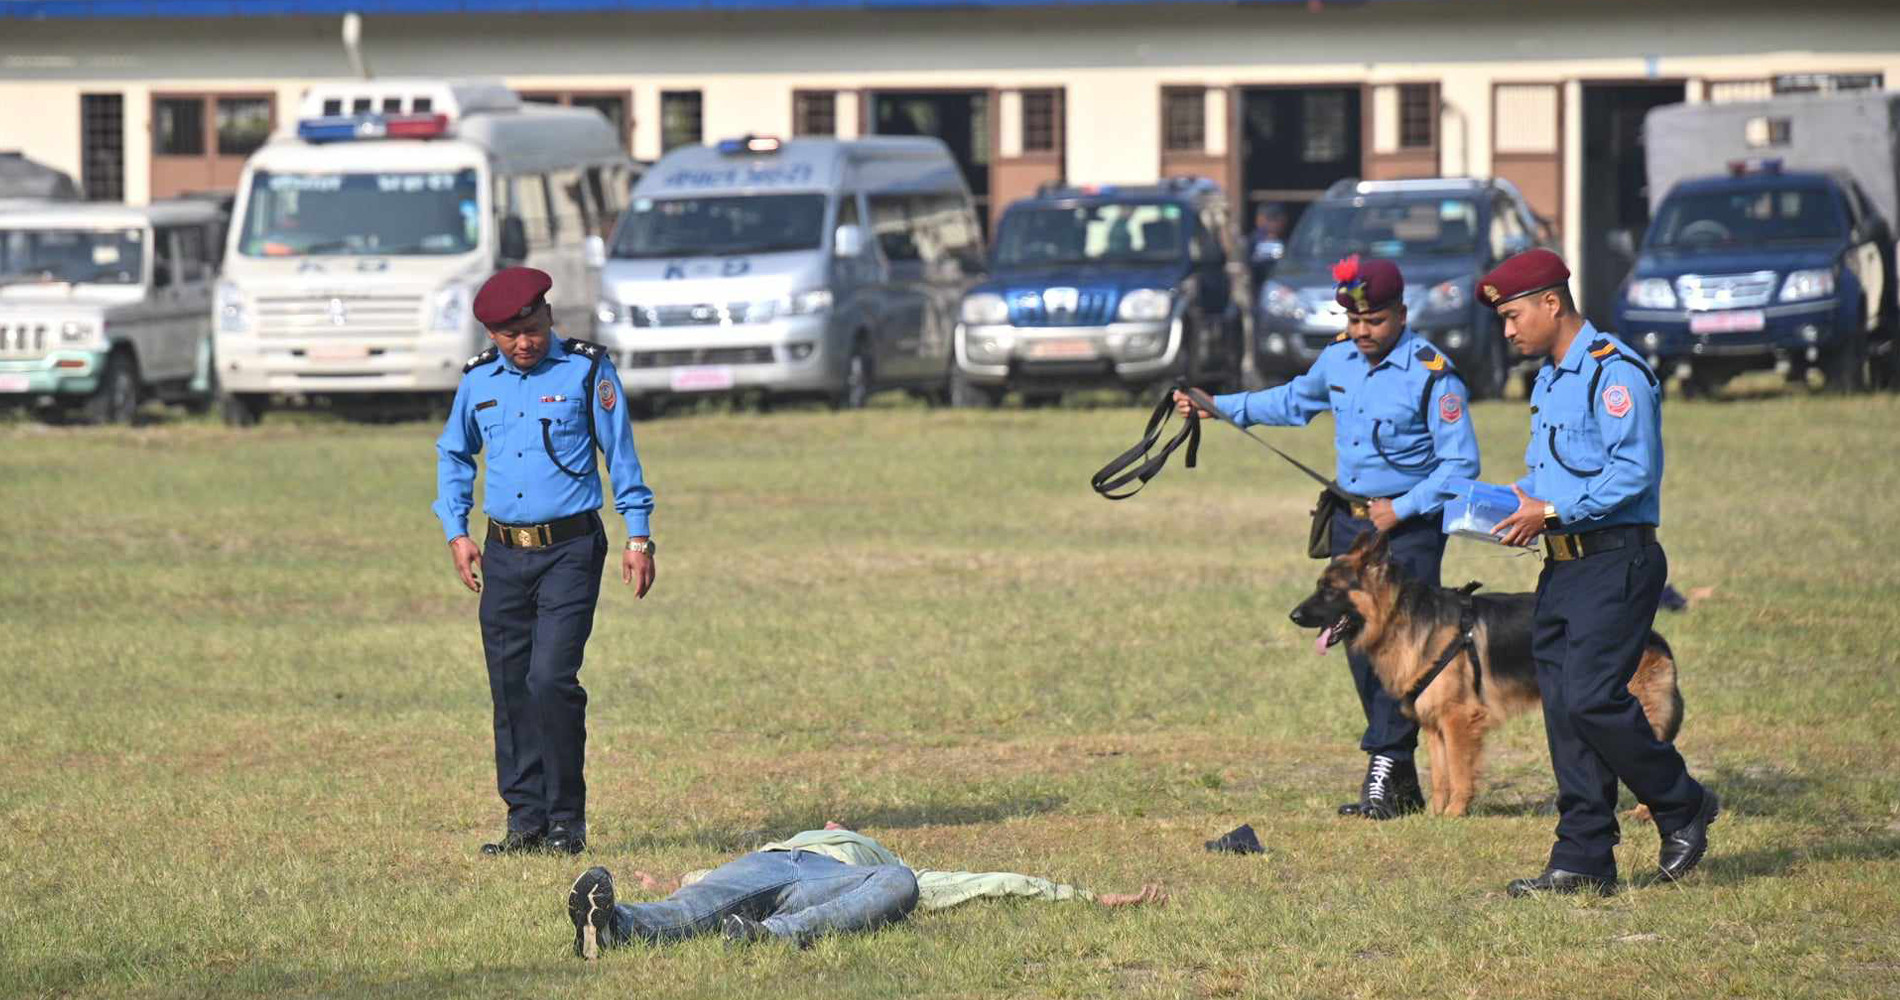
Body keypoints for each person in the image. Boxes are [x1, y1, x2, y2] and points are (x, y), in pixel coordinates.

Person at [1175, 256, 1481, 820]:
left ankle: (1384, 766)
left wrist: (1404, 508)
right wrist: (1218, 406)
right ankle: (1403, 775)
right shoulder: (1339, 357)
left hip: (1407, 531)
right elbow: (1293, 401)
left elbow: (1461, 467)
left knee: (1405, 650)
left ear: (1402, 314)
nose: (1364, 332)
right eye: (1356, 320)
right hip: (1350, 520)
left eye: (1376, 321)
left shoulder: (1433, 374)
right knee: (1359, 643)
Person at [1481, 248, 1717, 897]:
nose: (1508, 331)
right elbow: (1554, 474)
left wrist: (1551, 507)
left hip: (1617, 559)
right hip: (1562, 568)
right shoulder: (1552, 379)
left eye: (1513, 315)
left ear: (1552, 303)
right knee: (1564, 710)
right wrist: (1510, 502)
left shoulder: (1616, 373)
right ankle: (1582, 858)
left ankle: (1682, 802)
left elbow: (1633, 472)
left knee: (1590, 696)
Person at [433, 266, 657, 857]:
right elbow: (454, 454)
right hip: (503, 552)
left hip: (571, 549)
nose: (523, 343)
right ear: (491, 336)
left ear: (548, 317)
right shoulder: (479, 382)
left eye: (531, 328)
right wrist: (457, 531)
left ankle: (566, 821)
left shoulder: (586, 371)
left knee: (550, 679)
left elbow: (622, 456)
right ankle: (525, 821)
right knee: (510, 687)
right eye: (508, 335)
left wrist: (639, 537)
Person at [564, 823, 1167, 957]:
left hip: (837, 885)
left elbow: (993, 883)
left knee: (901, 883)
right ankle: (618, 925)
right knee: (693, 905)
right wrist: (664, 886)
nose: (834, 821)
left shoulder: (887, 862)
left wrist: (1087, 898)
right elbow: (704, 884)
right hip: (769, 863)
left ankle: (768, 938)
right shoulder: (787, 839)